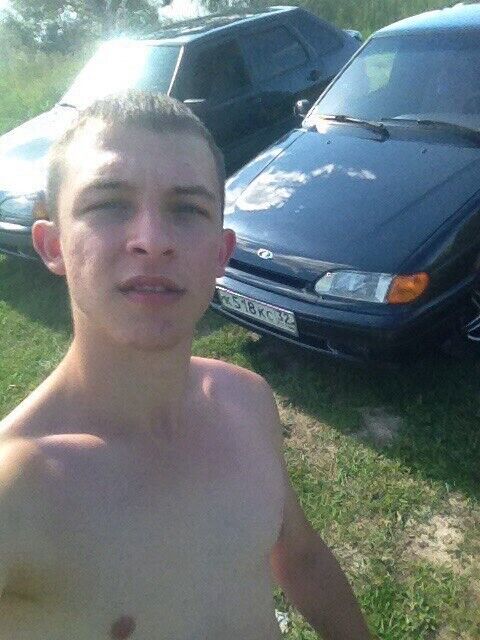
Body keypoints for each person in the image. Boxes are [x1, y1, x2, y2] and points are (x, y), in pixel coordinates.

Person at [0, 91, 371, 640]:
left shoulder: (247, 400)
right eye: (109, 204)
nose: (153, 242)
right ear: (52, 246)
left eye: (188, 209)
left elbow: (300, 556)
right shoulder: (16, 486)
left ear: (221, 253)